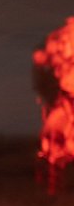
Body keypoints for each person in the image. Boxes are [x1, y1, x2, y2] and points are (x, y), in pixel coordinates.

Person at [32, 17, 74, 193]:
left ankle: (53, 186)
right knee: (54, 143)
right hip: (63, 105)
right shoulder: (60, 62)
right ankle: (52, 187)